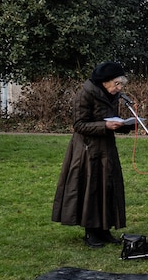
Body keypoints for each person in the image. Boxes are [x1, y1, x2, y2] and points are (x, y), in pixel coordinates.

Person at [52, 62, 136, 248]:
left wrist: (127, 125)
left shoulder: (112, 96)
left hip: (107, 148)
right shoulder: (85, 94)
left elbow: (112, 121)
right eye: (117, 84)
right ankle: (91, 232)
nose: (119, 88)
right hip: (86, 150)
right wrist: (104, 126)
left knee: (107, 187)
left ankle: (104, 229)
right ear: (105, 82)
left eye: (121, 84)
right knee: (90, 188)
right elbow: (79, 125)